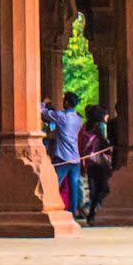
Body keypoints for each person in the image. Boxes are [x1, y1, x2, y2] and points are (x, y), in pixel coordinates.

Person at [41, 91, 85, 219]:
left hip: (63, 158)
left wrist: (44, 102)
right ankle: (73, 214)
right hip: (75, 158)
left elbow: (42, 112)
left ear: (66, 102)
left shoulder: (62, 117)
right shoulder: (79, 119)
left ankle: (50, 208)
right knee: (74, 187)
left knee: (55, 184)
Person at [78, 104, 112, 224]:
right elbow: (104, 140)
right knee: (104, 188)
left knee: (95, 188)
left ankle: (92, 214)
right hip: (100, 161)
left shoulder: (85, 126)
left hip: (89, 161)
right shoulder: (100, 126)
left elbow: (81, 143)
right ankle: (94, 212)